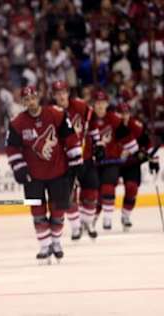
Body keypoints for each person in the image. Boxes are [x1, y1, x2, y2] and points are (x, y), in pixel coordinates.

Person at [6, 85, 82, 264]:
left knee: (58, 211)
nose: (30, 102)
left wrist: (76, 160)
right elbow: (11, 148)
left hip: (58, 172)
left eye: (32, 98)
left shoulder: (56, 114)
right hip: (33, 176)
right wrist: (19, 168)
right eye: (26, 100)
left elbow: (70, 137)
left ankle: (56, 242)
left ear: (38, 97)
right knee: (38, 212)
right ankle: (45, 245)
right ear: (23, 102)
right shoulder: (17, 122)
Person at [52, 80, 104, 240]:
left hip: (86, 157)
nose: (61, 96)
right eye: (58, 93)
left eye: (63, 92)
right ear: (54, 96)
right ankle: (76, 227)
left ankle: (87, 222)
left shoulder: (81, 107)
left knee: (92, 191)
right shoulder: (52, 113)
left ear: (68, 93)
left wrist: (97, 143)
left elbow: (92, 123)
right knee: (69, 196)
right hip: (65, 162)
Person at [92, 90, 138, 230]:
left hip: (111, 161)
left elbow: (129, 139)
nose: (100, 106)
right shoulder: (88, 118)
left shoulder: (114, 119)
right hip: (93, 162)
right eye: (97, 103)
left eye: (102, 103)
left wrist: (134, 150)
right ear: (93, 104)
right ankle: (90, 219)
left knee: (108, 186)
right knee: (93, 193)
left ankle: (108, 219)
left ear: (107, 104)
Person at [116, 102, 160, 231]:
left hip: (131, 164)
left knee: (132, 188)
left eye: (126, 113)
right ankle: (91, 218)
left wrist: (153, 160)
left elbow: (148, 145)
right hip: (113, 163)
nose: (124, 116)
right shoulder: (112, 124)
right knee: (104, 189)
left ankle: (126, 216)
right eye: (120, 113)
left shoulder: (136, 126)